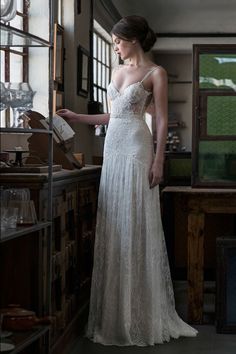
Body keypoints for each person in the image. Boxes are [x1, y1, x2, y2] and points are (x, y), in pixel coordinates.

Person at [57, 15, 198, 346]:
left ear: (132, 40)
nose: (115, 46)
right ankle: (116, 314)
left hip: (137, 149)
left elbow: (162, 119)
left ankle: (140, 315)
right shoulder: (117, 72)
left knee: (135, 222)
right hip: (113, 149)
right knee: (115, 223)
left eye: (118, 41)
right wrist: (77, 118)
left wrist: (160, 159)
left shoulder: (155, 73)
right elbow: (115, 114)